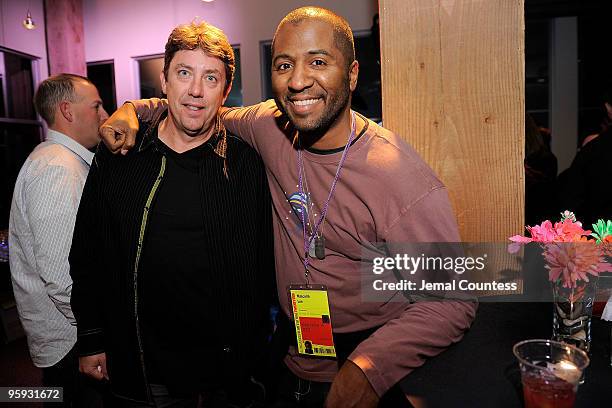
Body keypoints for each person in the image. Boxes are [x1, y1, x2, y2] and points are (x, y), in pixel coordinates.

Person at [101, 7, 477, 407]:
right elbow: (201, 109)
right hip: (288, 360)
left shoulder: (398, 177)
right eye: (284, 65)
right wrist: (134, 110)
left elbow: (453, 299)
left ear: (351, 74)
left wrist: (368, 368)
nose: (298, 81)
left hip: (364, 368)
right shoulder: (269, 126)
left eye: (318, 61)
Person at [69, 22, 274, 407]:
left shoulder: (247, 166)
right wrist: (92, 338)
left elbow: (263, 267)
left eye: (210, 78)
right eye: (184, 73)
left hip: (226, 375)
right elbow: (88, 253)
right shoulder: (120, 157)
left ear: (225, 91)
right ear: (164, 80)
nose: (196, 90)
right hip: (144, 367)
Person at [9, 74, 109, 407]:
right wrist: (95, 337)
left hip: (73, 341)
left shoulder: (64, 162)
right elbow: (61, 276)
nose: (104, 114)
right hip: (73, 345)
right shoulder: (57, 168)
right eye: (96, 105)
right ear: (67, 111)